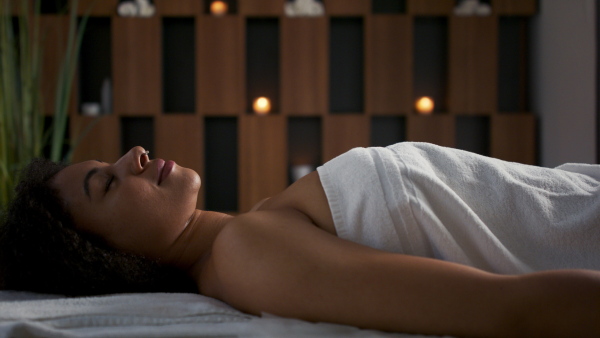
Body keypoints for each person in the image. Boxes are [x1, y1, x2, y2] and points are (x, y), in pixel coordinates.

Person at [1, 142, 599, 337]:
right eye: (106, 184)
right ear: (106, 260)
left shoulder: (250, 232)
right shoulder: (245, 257)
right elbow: (505, 307)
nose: (134, 155)